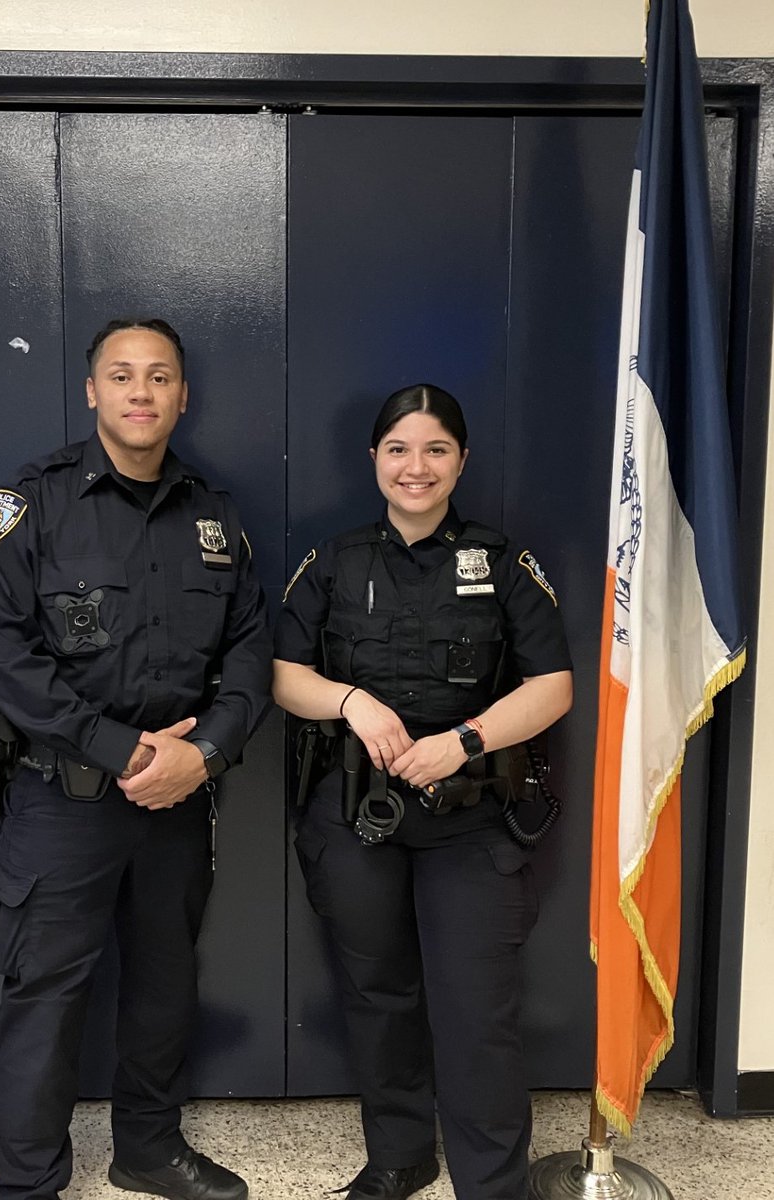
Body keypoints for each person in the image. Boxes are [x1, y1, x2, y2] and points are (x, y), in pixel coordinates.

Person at [0, 317, 271, 1200]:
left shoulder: (214, 514)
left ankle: (148, 1149)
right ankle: (26, 1184)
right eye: (123, 375)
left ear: (184, 396)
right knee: (45, 996)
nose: (141, 392)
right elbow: (7, 662)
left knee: (163, 987)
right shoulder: (28, 504)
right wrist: (124, 748)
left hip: (176, 801)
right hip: (61, 801)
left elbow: (250, 651)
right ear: (92, 390)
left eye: (160, 376)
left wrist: (205, 754)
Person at [273, 384, 573, 1200]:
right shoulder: (333, 562)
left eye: (436, 449)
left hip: (469, 820)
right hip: (355, 816)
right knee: (378, 997)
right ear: (373, 457)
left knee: (477, 1010)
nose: (417, 466)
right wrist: (351, 701)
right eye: (399, 449)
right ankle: (400, 1156)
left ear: (462, 461)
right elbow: (284, 675)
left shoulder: (504, 564)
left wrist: (463, 741)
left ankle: (492, 1183)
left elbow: (553, 687)